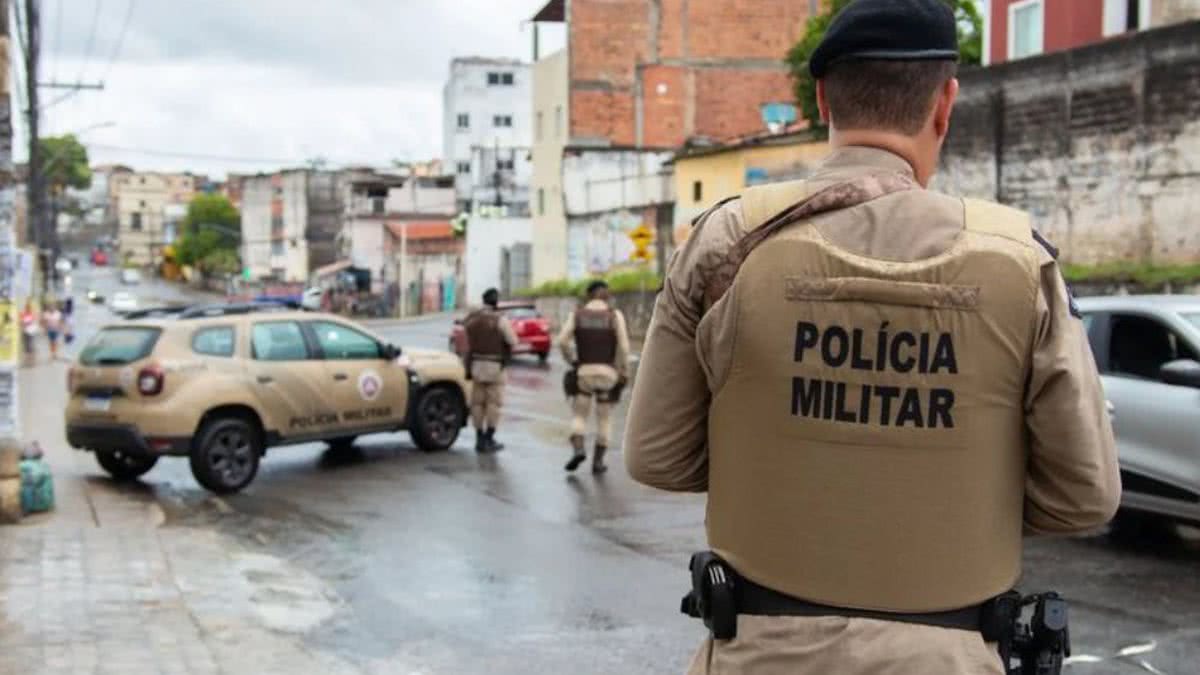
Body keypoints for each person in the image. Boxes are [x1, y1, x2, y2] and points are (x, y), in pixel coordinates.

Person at [622, 1, 1121, 673]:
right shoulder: (1021, 264)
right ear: (945, 104)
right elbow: (1083, 495)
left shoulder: (726, 243)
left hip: (763, 652)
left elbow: (656, 456)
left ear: (823, 97)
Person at [556, 280, 631, 474]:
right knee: (604, 418)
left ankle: (579, 449)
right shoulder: (615, 316)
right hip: (608, 374)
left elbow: (562, 341)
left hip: (584, 373)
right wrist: (624, 371)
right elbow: (624, 347)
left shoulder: (577, 315)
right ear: (606, 295)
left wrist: (572, 360)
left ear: (589, 295)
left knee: (579, 415)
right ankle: (598, 462)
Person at [462, 288, 517, 452]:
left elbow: (465, 336)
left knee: (477, 404)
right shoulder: (500, 320)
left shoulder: (472, 319)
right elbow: (513, 341)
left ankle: (479, 438)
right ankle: (489, 437)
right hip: (495, 366)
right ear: (496, 302)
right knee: (493, 404)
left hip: (476, 365)